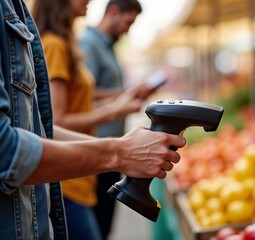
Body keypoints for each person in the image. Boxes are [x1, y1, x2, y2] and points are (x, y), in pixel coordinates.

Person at [0, 0, 185, 239]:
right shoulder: (56, 44)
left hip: (72, 177)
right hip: (68, 180)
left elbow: (40, 125)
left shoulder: (58, 38)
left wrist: (122, 140)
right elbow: (53, 121)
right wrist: (119, 149)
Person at [77, 1, 148, 238]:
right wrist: (122, 95)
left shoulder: (107, 46)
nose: (128, 29)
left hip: (110, 144)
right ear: (114, 12)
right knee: (97, 223)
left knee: (104, 223)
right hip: (96, 144)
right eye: (128, 22)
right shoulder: (88, 43)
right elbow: (83, 93)